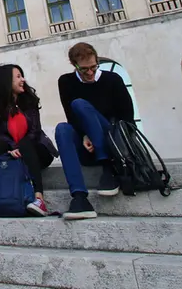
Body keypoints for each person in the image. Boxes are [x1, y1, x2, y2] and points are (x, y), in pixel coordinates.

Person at [54, 42, 134, 221]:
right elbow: (72, 118)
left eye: (93, 67)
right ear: (74, 65)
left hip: (112, 144)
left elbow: (127, 119)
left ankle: (109, 168)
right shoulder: (66, 82)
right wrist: (84, 134)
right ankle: (79, 197)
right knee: (62, 129)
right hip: (87, 145)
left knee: (79, 104)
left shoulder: (112, 79)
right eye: (84, 70)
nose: (90, 73)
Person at [0, 64, 59, 216]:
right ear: (6, 81)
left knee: (26, 143)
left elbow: (35, 131)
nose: (23, 80)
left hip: (37, 151)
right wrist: (12, 147)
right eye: (18, 77)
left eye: (22, 76)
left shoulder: (30, 100)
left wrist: (18, 147)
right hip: (13, 152)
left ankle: (39, 198)